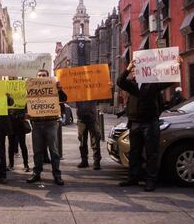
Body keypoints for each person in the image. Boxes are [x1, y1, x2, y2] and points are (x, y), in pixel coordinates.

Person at [116, 59, 178, 192]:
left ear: (144, 72)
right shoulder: (132, 84)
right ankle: (133, 178)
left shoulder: (153, 83)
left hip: (150, 122)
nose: (134, 72)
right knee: (134, 152)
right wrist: (127, 68)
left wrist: (176, 65)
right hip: (135, 123)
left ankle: (150, 181)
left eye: (135, 70)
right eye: (133, 71)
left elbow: (169, 79)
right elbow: (119, 82)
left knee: (151, 153)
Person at [26, 69, 66, 186]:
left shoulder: (54, 88)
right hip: (37, 124)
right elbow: (27, 105)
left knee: (54, 151)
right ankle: (36, 173)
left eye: (44, 75)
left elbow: (64, 99)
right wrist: (26, 113)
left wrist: (59, 90)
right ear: (36, 77)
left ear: (48, 77)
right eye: (39, 75)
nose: (42, 77)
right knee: (37, 150)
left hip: (51, 123)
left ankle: (57, 175)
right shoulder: (31, 89)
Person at [76, 101, 101, 170]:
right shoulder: (77, 92)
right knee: (82, 142)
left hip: (92, 119)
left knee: (95, 141)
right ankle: (84, 161)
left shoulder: (92, 91)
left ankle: (96, 162)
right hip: (81, 119)